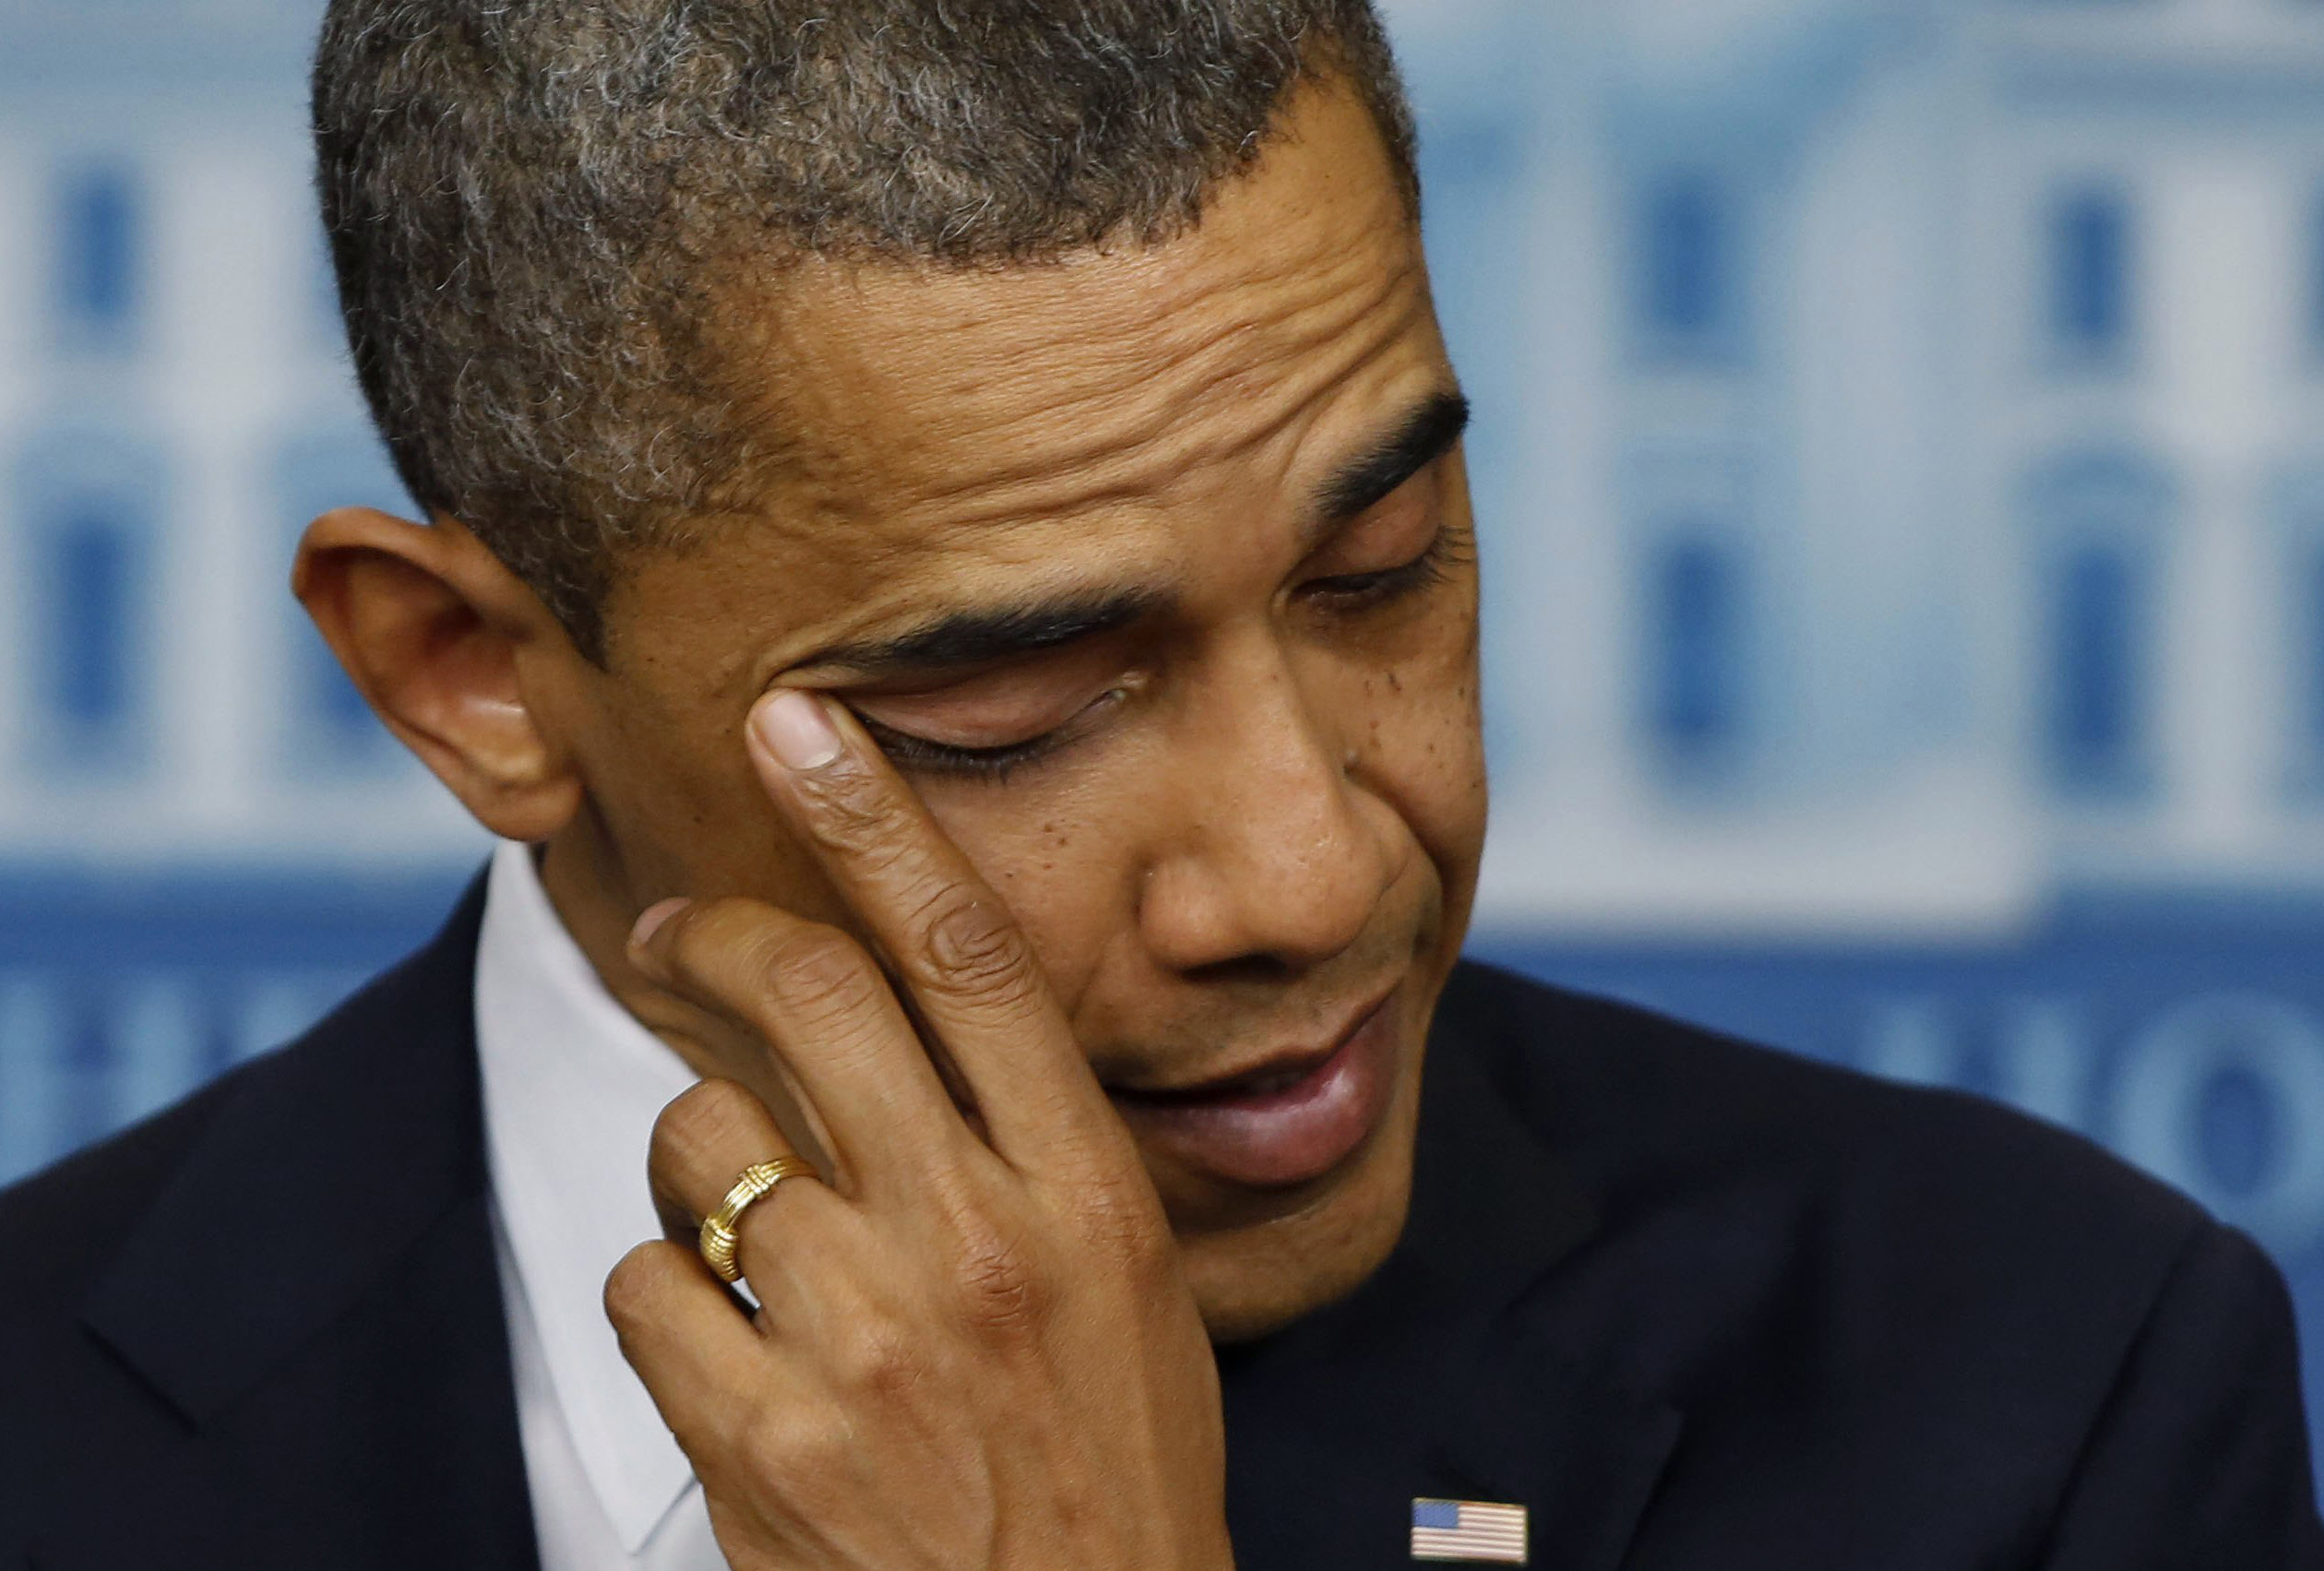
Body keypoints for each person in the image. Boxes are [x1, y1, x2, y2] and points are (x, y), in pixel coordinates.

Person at [3, 2, 2319, 1566]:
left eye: (1383, 570)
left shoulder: (2037, 1401)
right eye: (1009, 711)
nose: (1315, 871)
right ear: (474, 679)